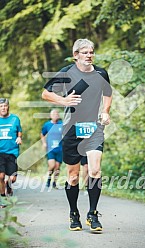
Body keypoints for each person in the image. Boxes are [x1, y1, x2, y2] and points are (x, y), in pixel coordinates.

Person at [42, 38, 112, 232]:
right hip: (72, 128)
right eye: (85, 52)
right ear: (76, 55)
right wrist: (63, 101)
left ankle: (93, 214)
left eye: (91, 52)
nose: (89, 55)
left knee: (95, 171)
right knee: (73, 177)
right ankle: (74, 213)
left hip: (94, 128)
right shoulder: (67, 73)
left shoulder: (101, 73)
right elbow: (46, 94)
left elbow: (108, 93)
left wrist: (105, 111)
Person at [0, 98, 22, 207]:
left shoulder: (15, 119)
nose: (3, 108)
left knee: (12, 178)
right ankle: (3, 197)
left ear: (8, 107)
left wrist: (19, 138)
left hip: (12, 152)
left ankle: (9, 186)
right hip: (0, 152)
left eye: (5, 106)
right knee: (1, 176)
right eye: (1, 106)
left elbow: (19, 131)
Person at [41, 109, 63, 189]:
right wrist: (44, 143)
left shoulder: (62, 124)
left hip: (60, 149)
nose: (55, 115)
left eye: (57, 113)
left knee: (57, 167)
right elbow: (42, 134)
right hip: (50, 149)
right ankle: (49, 178)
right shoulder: (47, 125)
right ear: (50, 116)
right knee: (52, 165)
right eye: (53, 114)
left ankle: (54, 182)